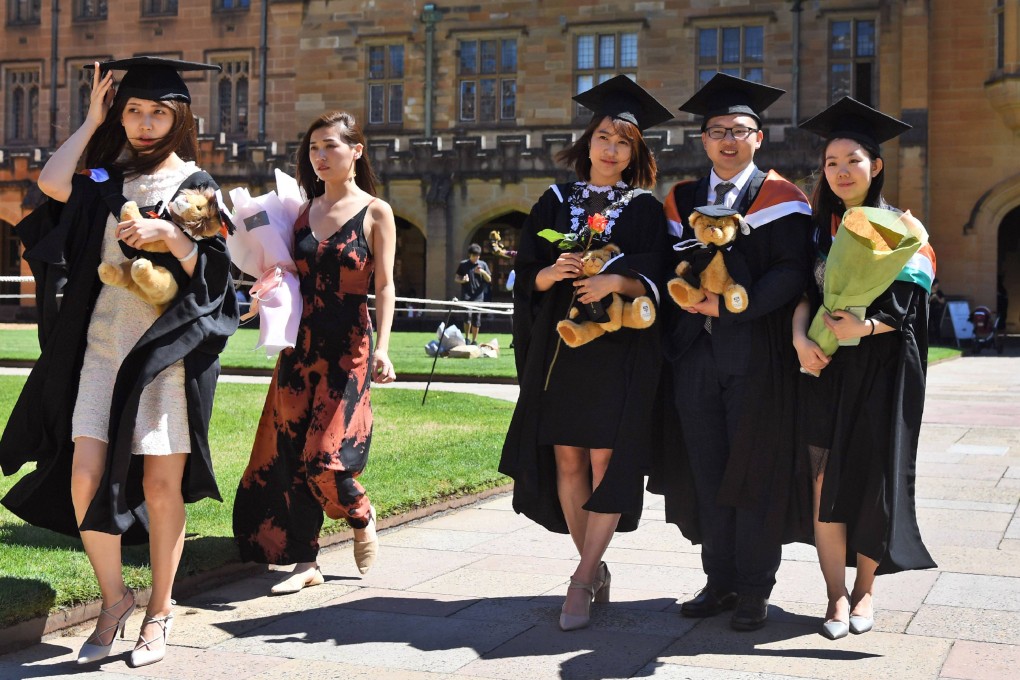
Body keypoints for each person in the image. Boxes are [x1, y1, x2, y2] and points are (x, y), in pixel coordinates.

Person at [0, 57, 238, 667]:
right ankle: (114, 601)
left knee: (161, 487)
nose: (145, 122)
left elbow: (217, 283)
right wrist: (90, 120)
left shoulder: (197, 187)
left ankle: (160, 611)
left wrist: (175, 240)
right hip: (101, 348)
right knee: (83, 476)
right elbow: (52, 186)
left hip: (164, 357)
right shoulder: (106, 176)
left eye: (158, 111)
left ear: (178, 116)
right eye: (134, 110)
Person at [499, 75, 671, 631]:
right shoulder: (554, 200)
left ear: (635, 152)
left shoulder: (645, 207)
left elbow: (661, 272)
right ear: (587, 141)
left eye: (622, 141)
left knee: (604, 458)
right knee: (567, 457)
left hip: (618, 353)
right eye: (603, 136)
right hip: (560, 353)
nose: (610, 148)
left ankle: (581, 580)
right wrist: (550, 273)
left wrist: (615, 283)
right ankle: (591, 568)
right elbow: (525, 272)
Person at [652, 73, 813, 632]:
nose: (727, 140)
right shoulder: (682, 199)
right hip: (695, 359)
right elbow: (665, 267)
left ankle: (753, 588)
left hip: (756, 357)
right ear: (702, 139)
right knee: (707, 470)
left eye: (739, 130)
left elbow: (793, 273)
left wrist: (731, 309)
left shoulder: (784, 199)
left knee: (754, 471)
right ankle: (718, 580)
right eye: (716, 130)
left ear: (758, 138)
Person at [233, 111, 397, 594]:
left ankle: (361, 513)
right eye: (313, 149)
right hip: (300, 349)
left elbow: (385, 285)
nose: (320, 157)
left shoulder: (375, 212)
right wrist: (264, 292)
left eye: (330, 146)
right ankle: (305, 560)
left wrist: (384, 347)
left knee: (325, 456)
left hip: (349, 348)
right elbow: (285, 271)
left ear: (356, 151)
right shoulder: (300, 211)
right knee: (291, 453)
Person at [794, 97, 937, 640]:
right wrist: (797, 337)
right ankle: (833, 597)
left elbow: (910, 308)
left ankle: (865, 592)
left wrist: (867, 327)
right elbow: (802, 293)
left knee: (872, 482)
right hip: (824, 367)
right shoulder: (815, 229)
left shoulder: (902, 228)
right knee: (823, 478)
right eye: (831, 163)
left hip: (879, 370)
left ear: (875, 166)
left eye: (851, 160)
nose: (840, 171)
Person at [454, 243, 491, 344]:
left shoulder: (482, 265)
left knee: (477, 319)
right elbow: (456, 278)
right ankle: (466, 338)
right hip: (467, 295)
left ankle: (474, 340)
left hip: (478, 296)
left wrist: (482, 272)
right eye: (474, 255)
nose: (476, 258)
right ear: (470, 255)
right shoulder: (463, 264)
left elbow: (489, 279)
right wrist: (463, 280)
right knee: (467, 316)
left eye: (478, 256)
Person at [928, 278, 947, 342]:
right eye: (936, 284)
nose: (937, 285)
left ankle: (938, 340)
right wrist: (931, 298)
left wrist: (937, 298)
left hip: (937, 311)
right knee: (928, 325)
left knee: (937, 325)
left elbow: (943, 301)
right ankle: (929, 339)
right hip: (929, 311)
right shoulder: (928, 291)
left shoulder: (939, 292)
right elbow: (926, 302)